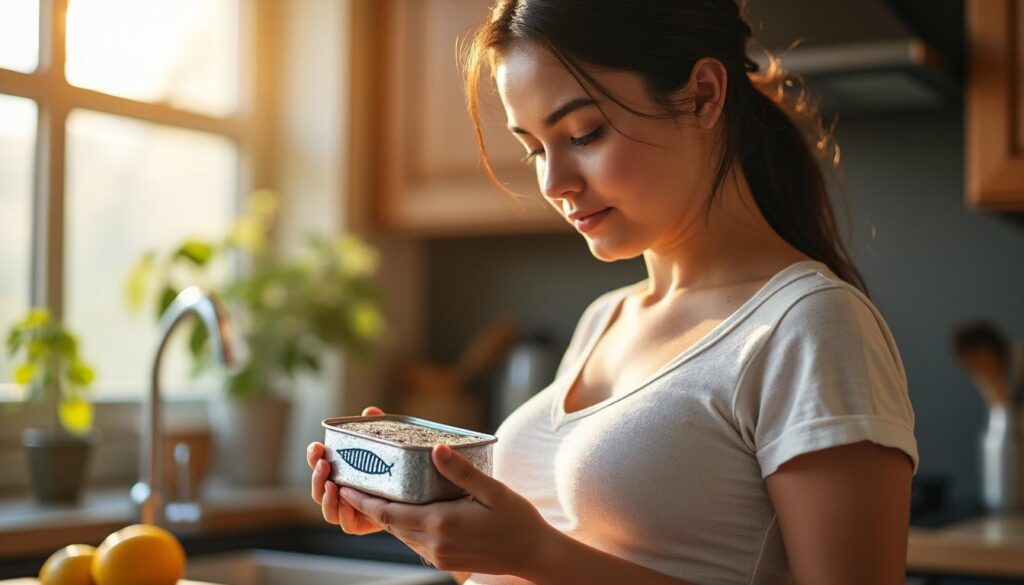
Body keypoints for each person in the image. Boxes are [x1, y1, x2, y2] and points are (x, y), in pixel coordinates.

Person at [306, 0, 918, 583]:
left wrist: (538, 553)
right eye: (533, 149)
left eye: (583, 133)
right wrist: (431, 525)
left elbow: (552, 561)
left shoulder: (810, 324)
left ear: (703, 95)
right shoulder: (607, 318)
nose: (554, 182)